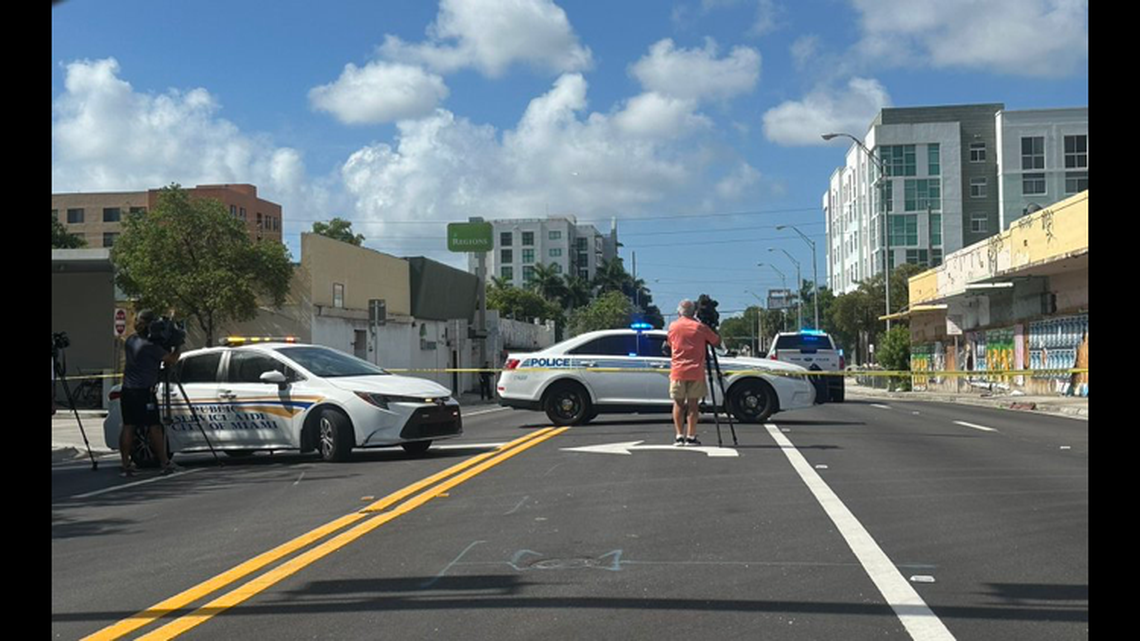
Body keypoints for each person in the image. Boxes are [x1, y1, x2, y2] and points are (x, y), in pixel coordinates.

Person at [119, 310, 182, 476]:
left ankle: (125, 464)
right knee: (154, 427)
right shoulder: (150, 346)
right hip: (144, 392)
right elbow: (172, 359)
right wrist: (178, 345)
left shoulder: (131, 340)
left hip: (128, 390)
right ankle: (164, 462)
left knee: (128, 426)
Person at [666, 299, 721, 446]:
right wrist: (711, 326)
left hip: (678, 371)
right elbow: (716, 341)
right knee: (693, 405)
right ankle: (691, 436)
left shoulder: (673, 326)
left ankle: (679, 436)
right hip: (696, 371)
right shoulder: (700, 327)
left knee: (678, 404)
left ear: (679, 312)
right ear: (694, 312)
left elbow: (670, 344)